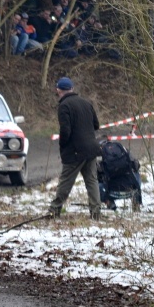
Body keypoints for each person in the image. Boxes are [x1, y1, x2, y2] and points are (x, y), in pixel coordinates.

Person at [49, 77, 102, 219]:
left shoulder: (64, 106)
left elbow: (65, 131)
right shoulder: (86, 103)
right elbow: (96, 125)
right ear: (72, 89)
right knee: (92, 180)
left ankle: (54, 209)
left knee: (66, 180)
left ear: (58, 90)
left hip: (75, 151)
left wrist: (63, 145)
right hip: (91, 149)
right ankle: (96, 212)